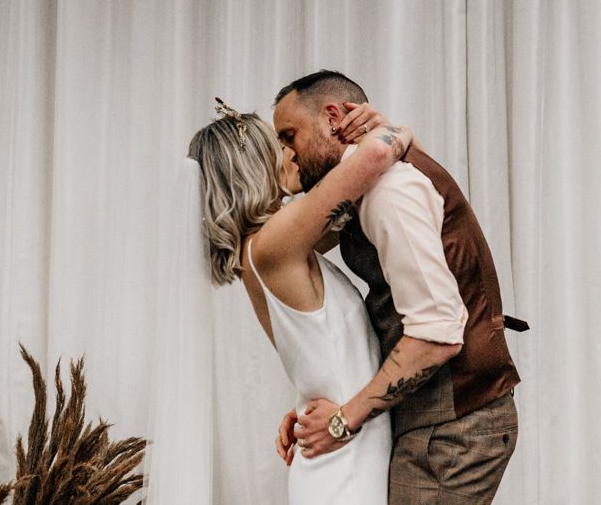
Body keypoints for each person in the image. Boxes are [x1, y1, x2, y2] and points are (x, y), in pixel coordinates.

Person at [273, 71, 525, 504]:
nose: (286, 154)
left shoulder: (389, 189)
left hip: (453, 430)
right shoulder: (364, 186)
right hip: (430, 421)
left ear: (333, 116)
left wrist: (342, 421)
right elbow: (295, 243)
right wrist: (319, 403)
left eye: (289, 137)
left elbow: (436, 335)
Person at [187, 99, 413, 504]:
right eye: (278, 145)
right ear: (253, 166)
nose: (290, 152)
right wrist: (394, 129)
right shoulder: (274, 243)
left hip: (343, 448)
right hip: (345, 465)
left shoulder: (265, 249)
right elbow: (378, 152)